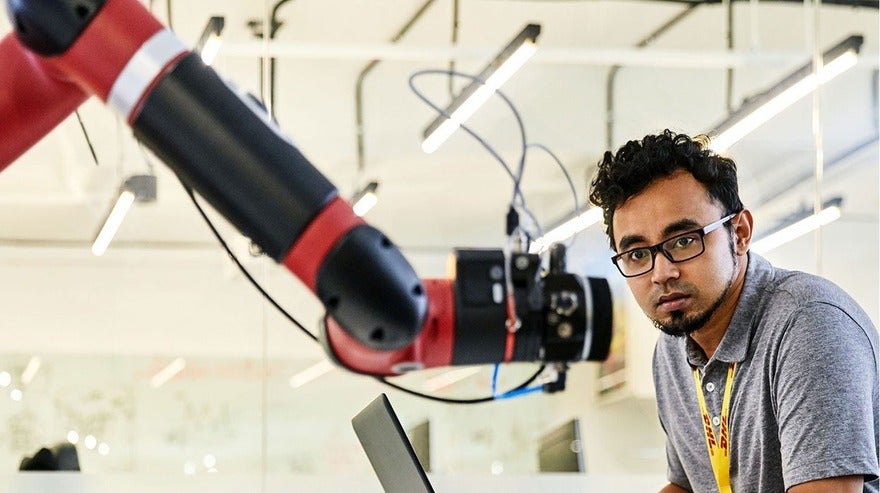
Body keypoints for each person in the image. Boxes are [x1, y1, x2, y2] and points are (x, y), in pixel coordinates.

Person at [588, 130, 879, 492]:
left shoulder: (809, 325)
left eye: (683, 241)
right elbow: (686, 486)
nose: (661, 273)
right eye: (637, 254)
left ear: (739, 233)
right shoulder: (673, 352)